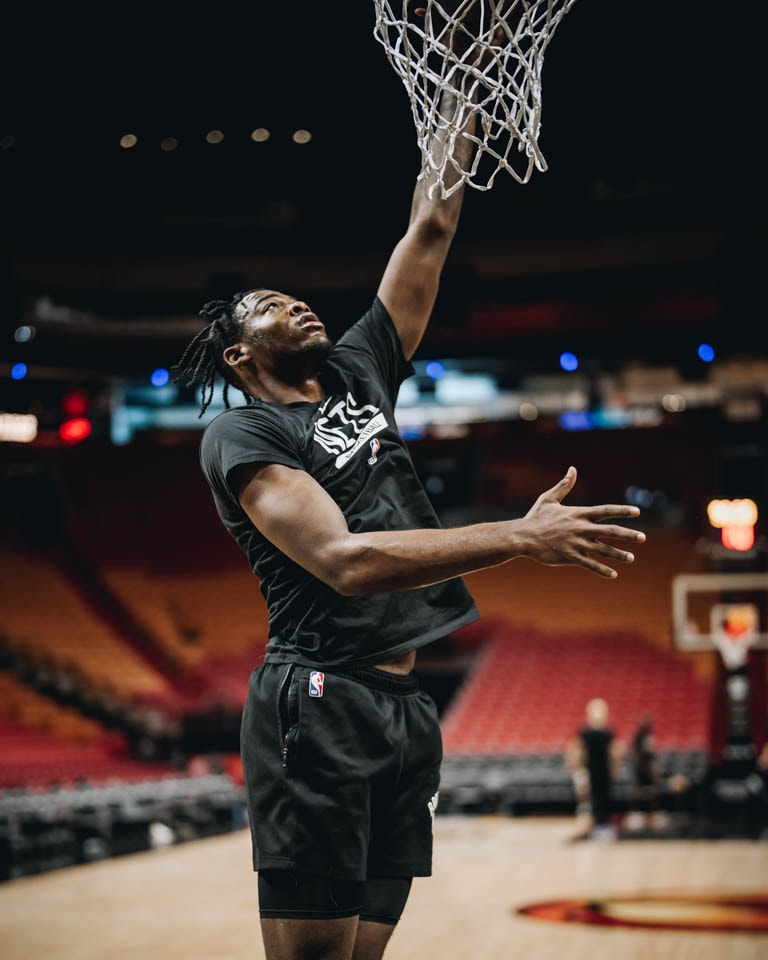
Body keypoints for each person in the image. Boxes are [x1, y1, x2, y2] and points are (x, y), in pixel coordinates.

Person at [171, 23, 647, 960]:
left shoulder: (359, 370)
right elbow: (346, 562)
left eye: (296, 296)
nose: (299, 302)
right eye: (270, 305)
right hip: (317, 698)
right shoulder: (244, 433)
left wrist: (465, 88)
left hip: (403, 710)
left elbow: (429, 228)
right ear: (239, 353)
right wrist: (516, 535)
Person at [568, 698, 623, 839]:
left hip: (604, 768)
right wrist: (577, 766)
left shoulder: (609, 731)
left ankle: (604, 824)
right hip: (591, 769)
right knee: (593, 798)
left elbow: (615, 751)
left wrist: (615, 767)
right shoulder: (584, 731)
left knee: (605, 796)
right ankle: (595, 824)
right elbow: (576, 749)